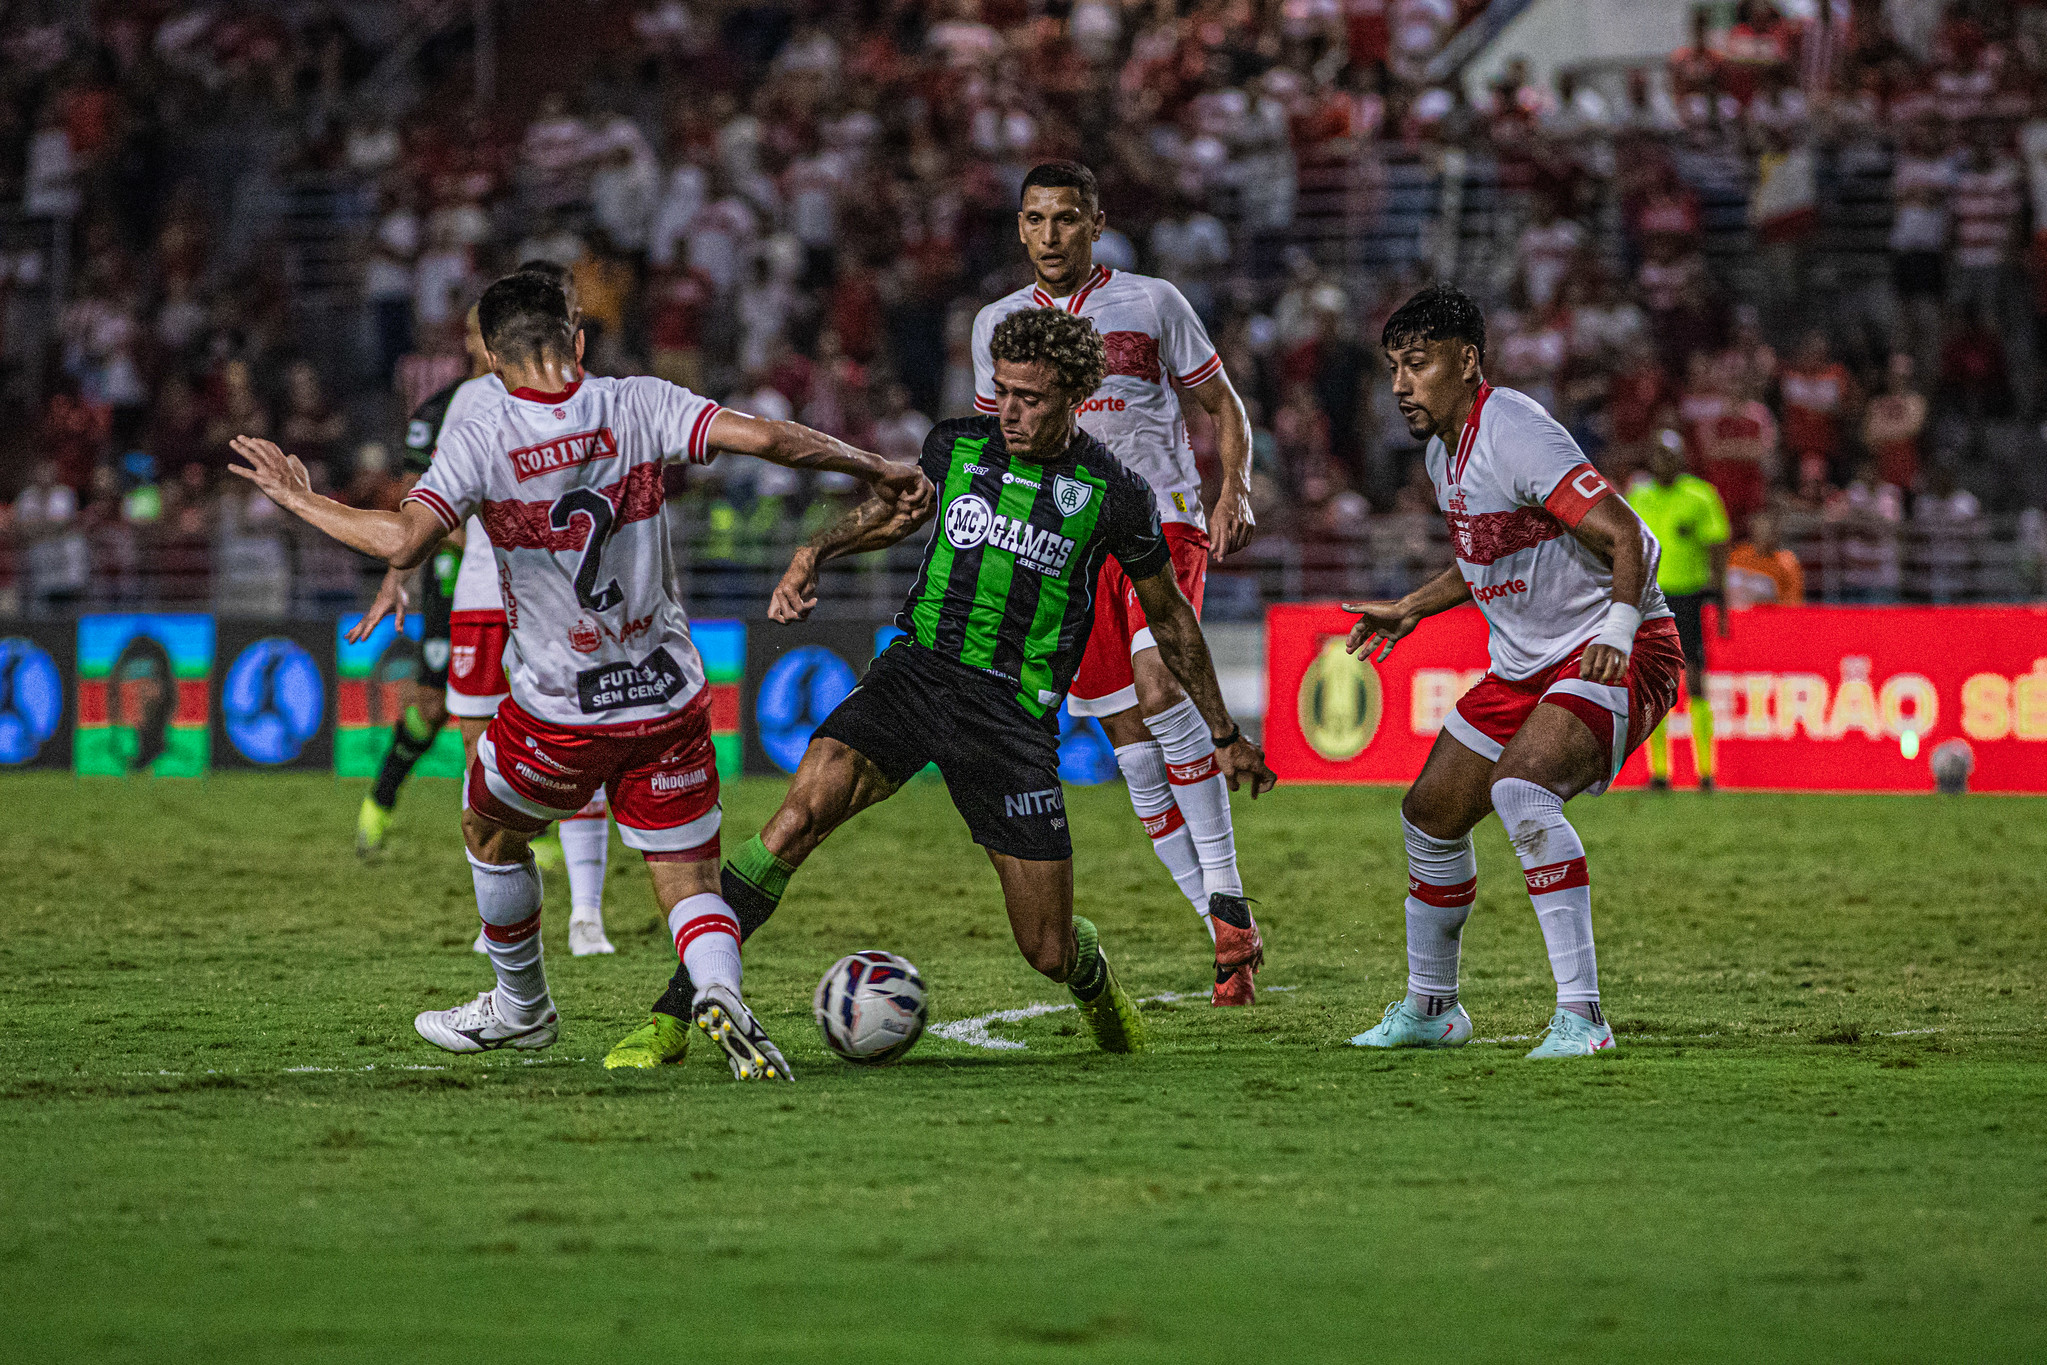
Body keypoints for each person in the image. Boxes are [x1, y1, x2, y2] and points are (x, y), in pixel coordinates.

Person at [229, 270, 930, 1076]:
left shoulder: (484, 434)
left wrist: (300, 498)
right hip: (667, 693)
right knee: (687, 872)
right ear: (579, 341)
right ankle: (718, 990)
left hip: (562, 707)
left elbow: (401, 541)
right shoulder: (638, 402)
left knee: (488, 828)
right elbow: (771, 438)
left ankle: (522, 1006)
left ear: (491, 358)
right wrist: (872, 464)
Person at [604, 307, 1274, 1069]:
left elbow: (1173, 621)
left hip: (1010, 718)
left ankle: (1092, 981)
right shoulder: (956, 445)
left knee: (1047, 950)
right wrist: (815, 551)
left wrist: (1222, 733)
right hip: (916, 673)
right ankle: (672, 1014)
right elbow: (896, 513)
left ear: (1074, 396)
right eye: (1003, 390)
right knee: (792, 821)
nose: (1010, 410)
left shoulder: (1113, 491)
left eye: (1030, 396)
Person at [1342, 284, 1683, 1060]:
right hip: (1527, 666)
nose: (1399, 384)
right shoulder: (1441, 451)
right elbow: (1487, 556)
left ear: (1467, 362)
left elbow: (1631, 537)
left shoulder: (1515, 430)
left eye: (1417, 364)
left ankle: (1583, 1016)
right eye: (1393, 366)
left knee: (1521, 791)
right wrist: (1412, 606)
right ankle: (1432, 1008)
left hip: (1618, 646)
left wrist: (1620, 631)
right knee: (1429, 815)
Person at [969, 161, 1268, 1006]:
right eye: (1036, 219)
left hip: (1159, 521)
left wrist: (1230, 488)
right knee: (1132, 750)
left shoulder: (1151, 302)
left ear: (1096, 223)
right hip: (1061, 547)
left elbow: (1223, 406)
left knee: (1157, 679)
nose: (1052, 234)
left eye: (1068, 218)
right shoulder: (995, 324)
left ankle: (1230, 899)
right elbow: (1000, 450)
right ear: (1020, 228)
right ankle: (1223, 930)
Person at [358, 265, 620, 955]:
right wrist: (401, 568)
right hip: (479, 589)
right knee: (481, 755)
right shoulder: (464, 404)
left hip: (560, 593)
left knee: (578, 740)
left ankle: (586, 915)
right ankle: (501, 913)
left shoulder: (599, 399)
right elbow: (433, 506)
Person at [1628, 429, 1732, 792]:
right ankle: (1660, 773)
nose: (1663, 462)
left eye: (1670, 455)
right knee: (1654, 682)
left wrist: (1721, 605)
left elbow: (1718, 550)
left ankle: (1706, 772)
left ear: (1681, 459)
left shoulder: (1700, 496)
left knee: (1697, 680)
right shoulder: (1639, 495)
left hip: (1689, 596)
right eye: (1658, 455)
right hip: (1651, 598)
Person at [1726, 507, 1804, 609]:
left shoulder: (1787, 562)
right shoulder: (1736, 556)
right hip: (1736, 616)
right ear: (1753, 530)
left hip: (1769, 617)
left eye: (1771, 530)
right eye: (1762, 529)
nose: (1765, 534)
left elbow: (1793, 603)